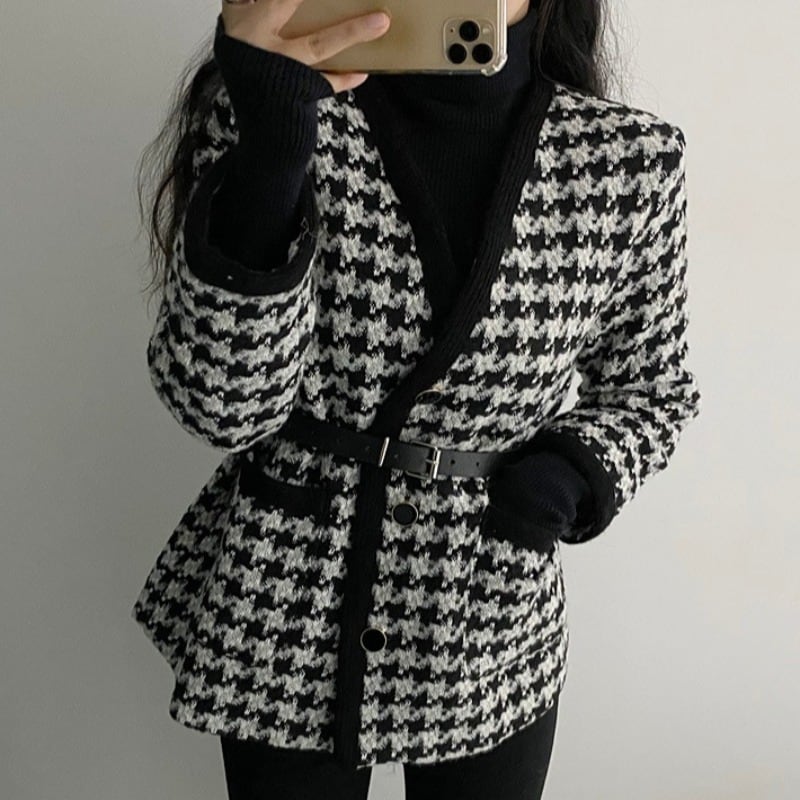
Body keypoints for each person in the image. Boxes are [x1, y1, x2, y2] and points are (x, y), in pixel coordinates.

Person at [132, 1, 702, 798]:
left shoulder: (626, 163)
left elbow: (651, 388)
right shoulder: (284, 105)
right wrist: (270, 151)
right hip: (288, 591)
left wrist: (570, 474)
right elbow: (219, 409)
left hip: (488, 601)